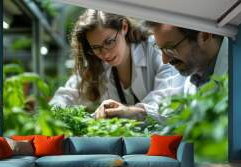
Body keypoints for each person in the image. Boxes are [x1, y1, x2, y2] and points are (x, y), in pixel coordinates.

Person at [49, 10, 184, 120]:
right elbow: (65, 96)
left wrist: (132, 112)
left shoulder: (155, 48)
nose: (105, 54)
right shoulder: (96, 64)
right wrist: (49, 118)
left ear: (124, 27)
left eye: (109, 42)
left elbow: (170, 102)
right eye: (96, 47)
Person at [96, 22, 228, 119]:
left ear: (204, 36)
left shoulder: (238, 74)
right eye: (160, 49)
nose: (165, 60)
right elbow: (170, 114)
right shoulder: (191, 72)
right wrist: (130, 112)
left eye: (170, 49)